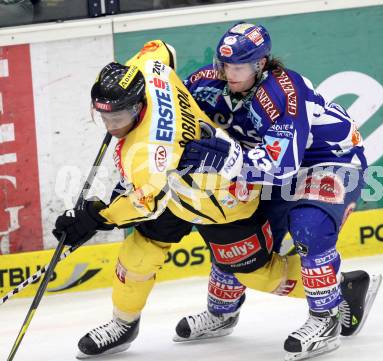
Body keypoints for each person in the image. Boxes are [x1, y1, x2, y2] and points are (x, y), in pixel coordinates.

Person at [52, 39, 319, 360]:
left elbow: (143, 204)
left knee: (256, 273)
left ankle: (336, 288)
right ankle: (123, 324)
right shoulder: (147, 70)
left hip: (220, 197)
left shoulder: (150, 154)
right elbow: (162, 48)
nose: (110, 126)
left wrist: (95, 218)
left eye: (118, 118)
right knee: (139, 253)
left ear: (138, 107)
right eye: (104, 116)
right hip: (177, 186)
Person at [175, 23, 382, 361]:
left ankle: (325, 320)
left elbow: (282, 164)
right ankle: (222, 313)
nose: (229, 73)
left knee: (309, 228)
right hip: (269, 163)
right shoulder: (207, 80)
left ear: (261, 64)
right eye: (225, 65)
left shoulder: (282, 92)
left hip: (329, 161)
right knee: (231, 222)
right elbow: (174, 102)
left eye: (239, 67)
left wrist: (229, 159)